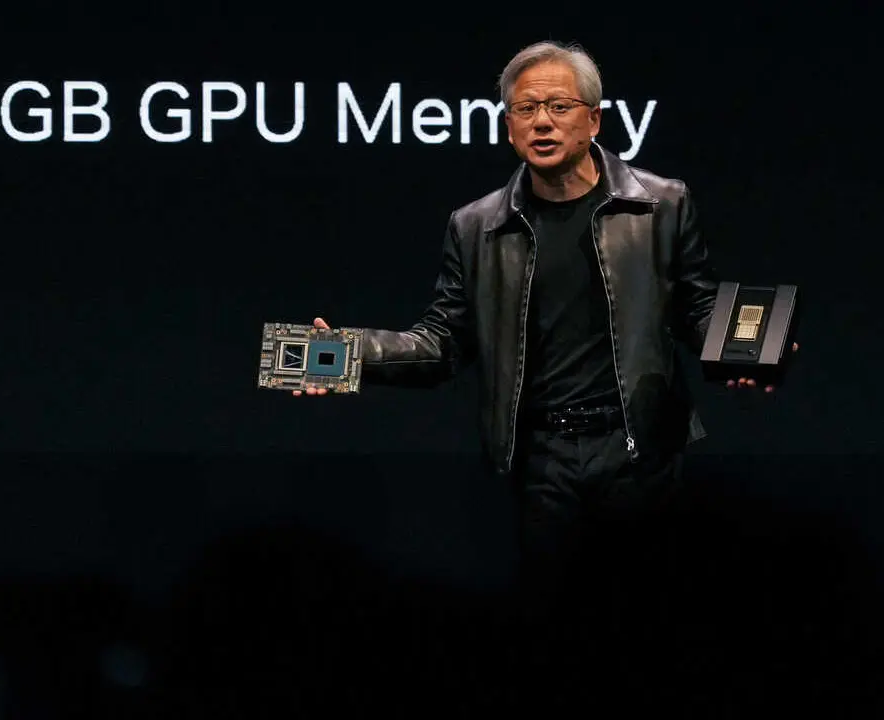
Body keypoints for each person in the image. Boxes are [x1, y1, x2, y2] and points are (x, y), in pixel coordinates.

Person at [296, 40, 795, 661]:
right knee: (551, 629)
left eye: (559, 106)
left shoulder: (661, 203)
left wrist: (747, 354)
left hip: (639, 448)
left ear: (595, 119)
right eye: (525, 108)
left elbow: (695, 310)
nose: (541, 120)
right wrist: (341, 354)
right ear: (507, 126)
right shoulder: (477, 226)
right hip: (541, 458)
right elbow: (442, 344)